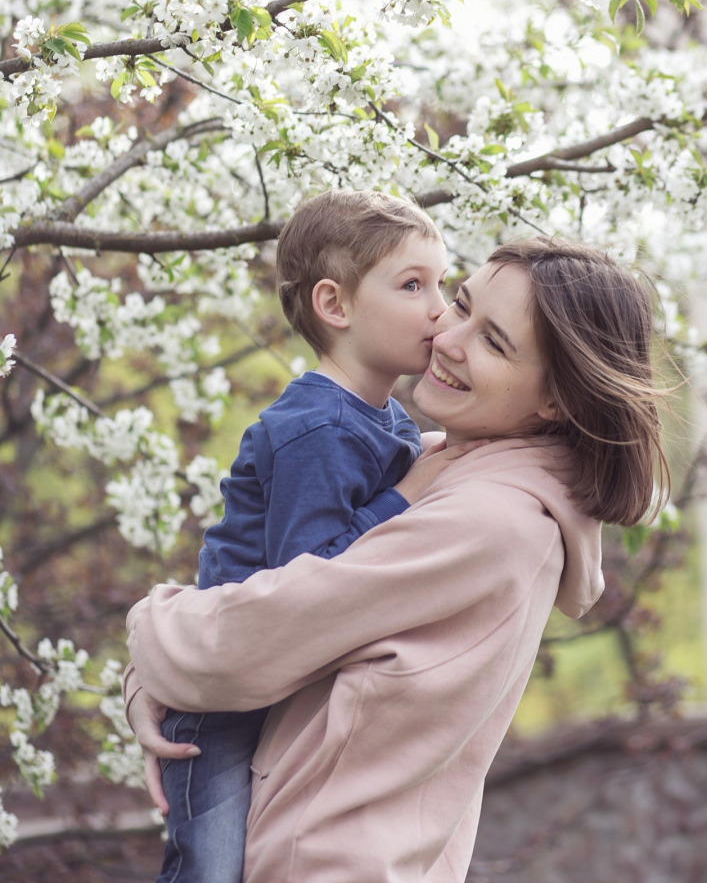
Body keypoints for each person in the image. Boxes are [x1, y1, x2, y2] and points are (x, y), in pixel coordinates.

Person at [125, 236, 670, 883]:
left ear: (558, 400)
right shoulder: (441, 470)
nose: (447, 338)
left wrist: (148, 635)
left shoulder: (490, 522)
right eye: (460, 305)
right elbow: (270, 591)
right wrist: (160, 678)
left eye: (493, 341)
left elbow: (262, 633)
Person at [150, 188, 449, 883]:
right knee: (211, 867)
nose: (440, 308)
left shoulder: (382, 418)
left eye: (442, 282)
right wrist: (408, 495)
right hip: (220, 697)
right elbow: (308, 579)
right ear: (334, 305)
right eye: (413, 285)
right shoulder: (317, 429)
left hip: (271, 683)